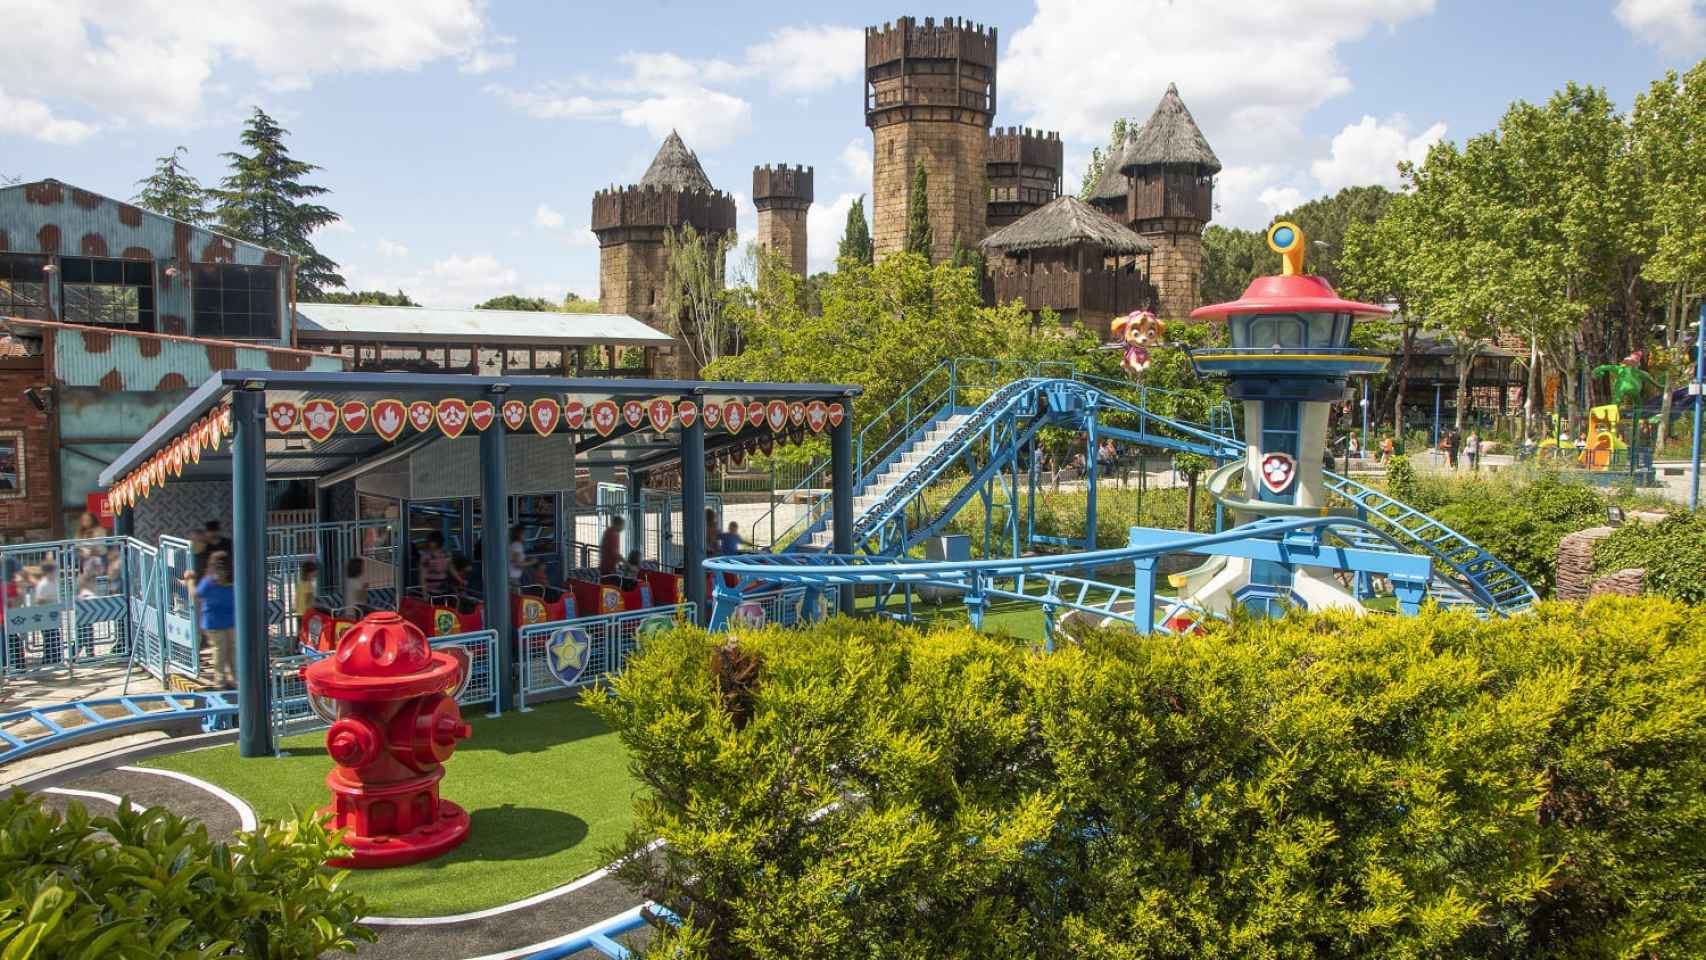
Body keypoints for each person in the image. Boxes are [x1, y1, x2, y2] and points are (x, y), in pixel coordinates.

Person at [195, 551, 237, 688]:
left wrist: (189, 581)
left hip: (213, 621)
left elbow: (196, 594)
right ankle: (236, 678)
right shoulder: (233, 580)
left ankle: (220, 681)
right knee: (232, 650)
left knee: (219, 651)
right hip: (231, 621)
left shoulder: (209, 581)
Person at [33, 562, 61, 665]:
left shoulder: (54, 582)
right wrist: (47, 601)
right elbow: (39, 600)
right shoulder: (44, 584)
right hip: (45, 614)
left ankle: (55, 657)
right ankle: (49, 658)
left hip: (53, 614)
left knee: (54, 636)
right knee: (49, 637)